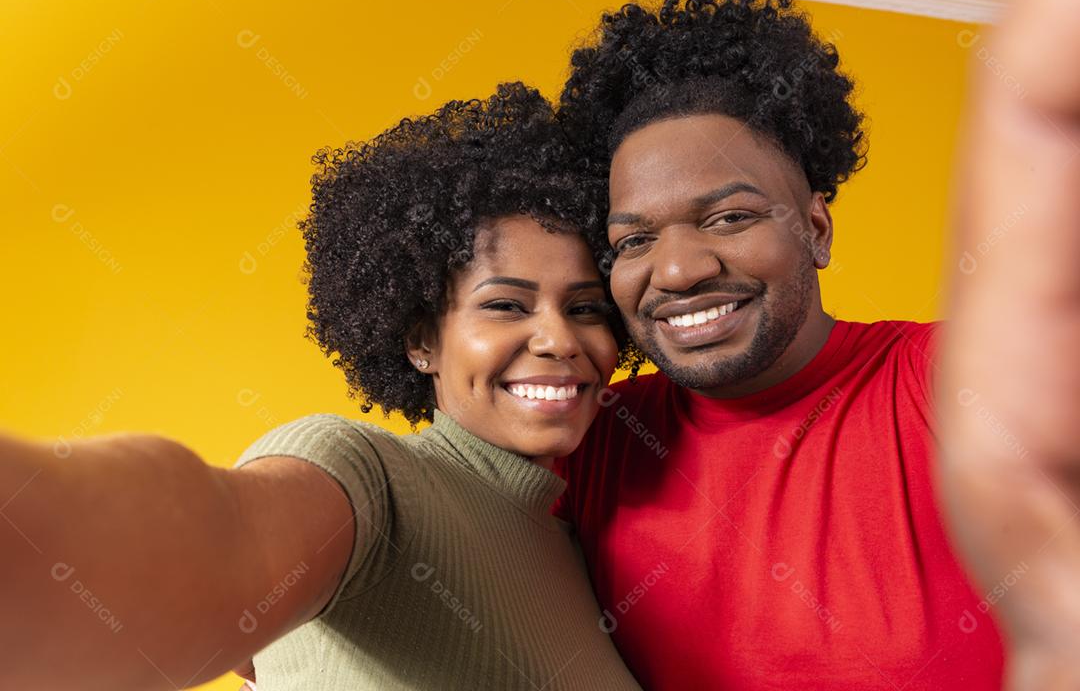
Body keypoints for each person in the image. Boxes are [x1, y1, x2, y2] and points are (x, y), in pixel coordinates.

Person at [0, 82, 644, 690]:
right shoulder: (369, 476)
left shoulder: (568, 544)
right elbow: (215, 536)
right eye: (506, 305)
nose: (560, 340)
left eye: (586, 309)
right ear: (421, 340)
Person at [548, 0, 1065, 689]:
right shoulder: (591, 440)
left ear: (815, 229)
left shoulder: (951, 381)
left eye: (728, 217)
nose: (677, 270)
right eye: (633, 240)